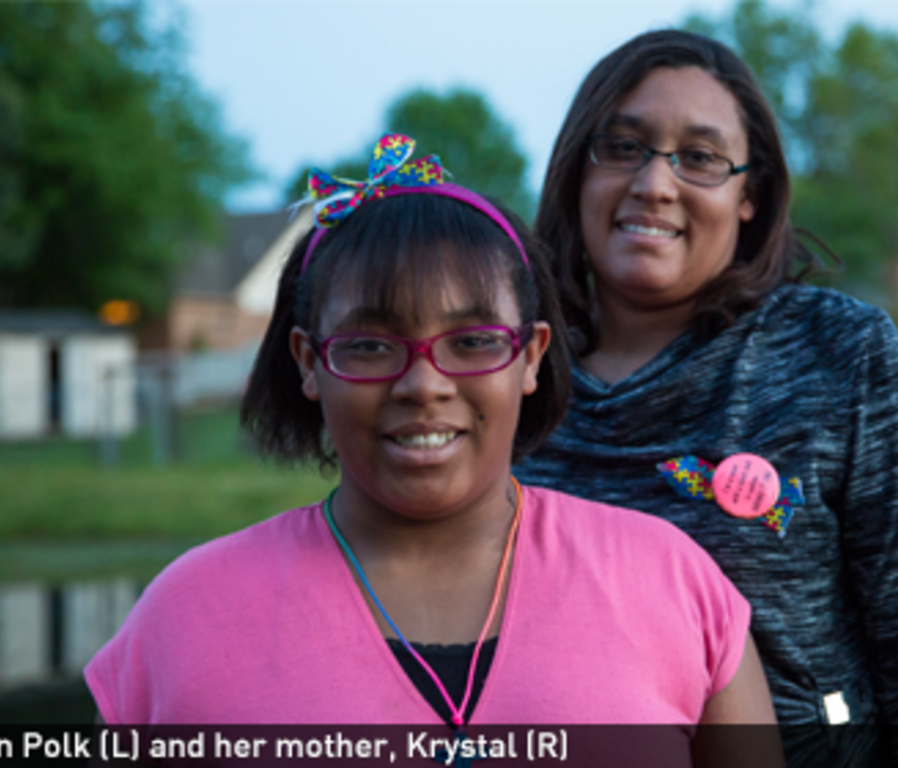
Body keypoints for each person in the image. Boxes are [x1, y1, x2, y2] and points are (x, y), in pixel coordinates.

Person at [83, 135, 776, 756]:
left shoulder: (675, 587)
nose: (422, 383)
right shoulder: (185, 619)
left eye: (472, 341)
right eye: (370, 346)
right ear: (307, 363)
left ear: (532, 356)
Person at [515, 30, 898, 766]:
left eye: (700, 158)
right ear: (578, 170)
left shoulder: (841, 354)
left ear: (749, 196)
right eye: (623, 146)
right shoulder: (508, 371)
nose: (655, 183)